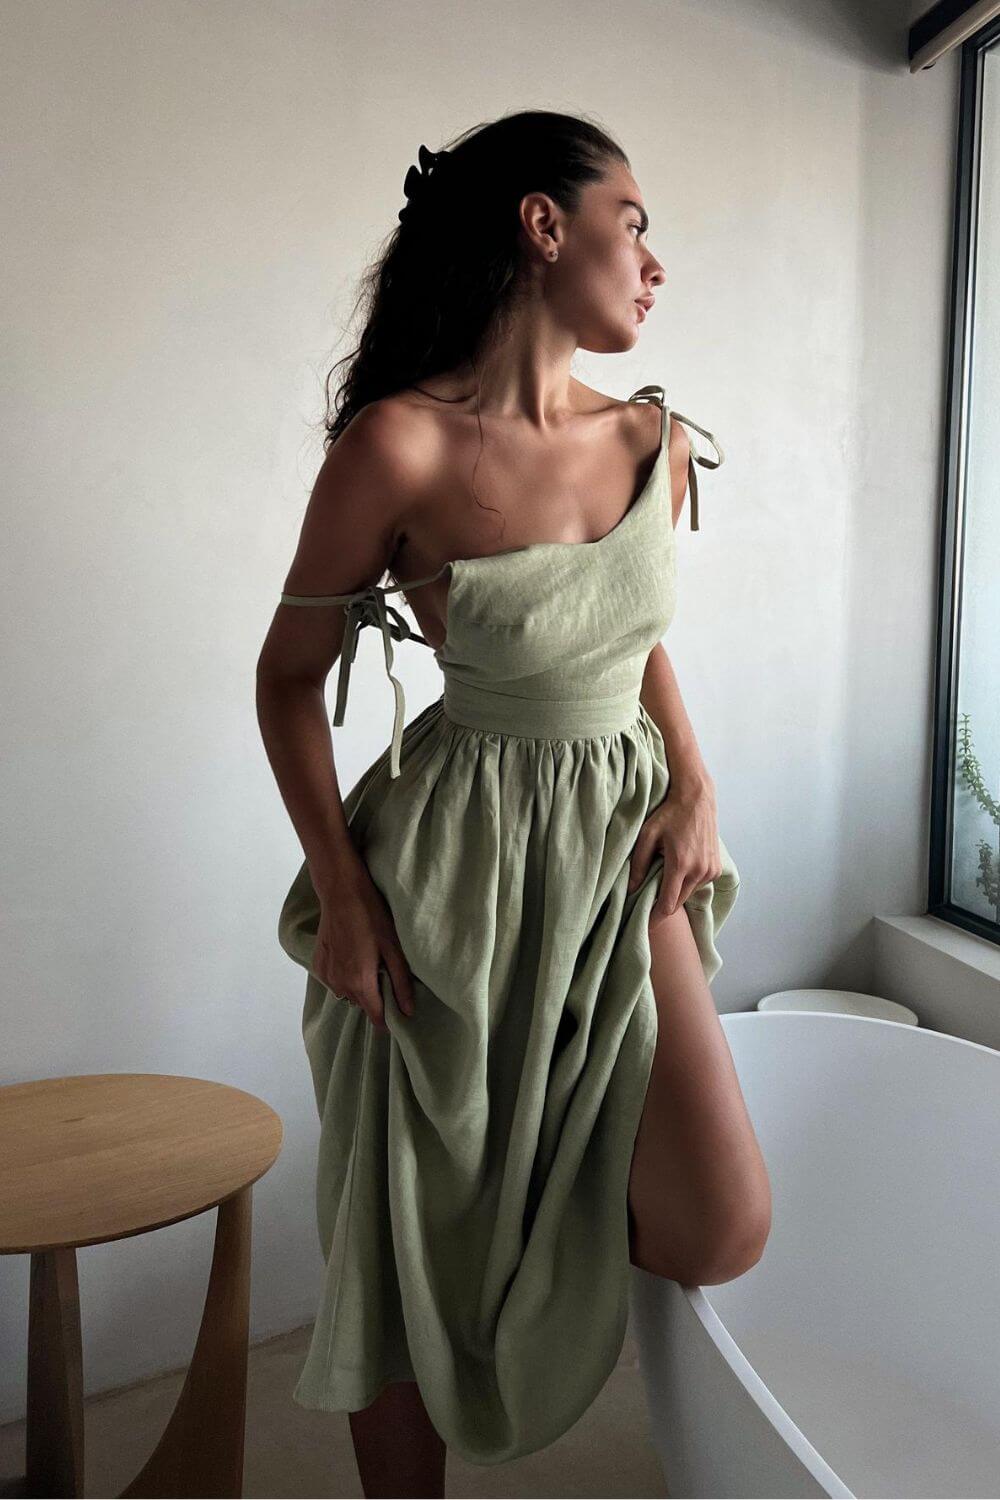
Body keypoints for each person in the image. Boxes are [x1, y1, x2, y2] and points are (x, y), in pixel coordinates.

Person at [257, 108, 771, 1498]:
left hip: (623, 851)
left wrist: (696, 777)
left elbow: (627, 632)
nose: (654, 263)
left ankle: (541, 1251)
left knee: (721, 1217)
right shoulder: (401, 447)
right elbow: (286, 680)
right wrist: (345, 901)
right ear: (545, 226)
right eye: (632, 223)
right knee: (411, 1234)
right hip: (453, 872)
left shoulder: (654, 436)